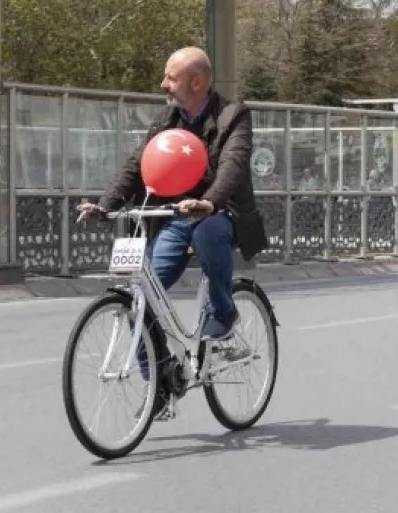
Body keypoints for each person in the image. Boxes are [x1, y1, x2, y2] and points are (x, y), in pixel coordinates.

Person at [77, 47, 268, 342]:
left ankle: (223, 312)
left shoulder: (233, 116)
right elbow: (138, 164)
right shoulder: (167, 118)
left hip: (220, 212)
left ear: (197, 83)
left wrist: (209, 202)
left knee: (207, 231)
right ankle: (161, 379)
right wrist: (104, 206)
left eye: (171, 78)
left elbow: (234, 165)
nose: (162, 84)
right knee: (141, 297)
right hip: (176, 217)